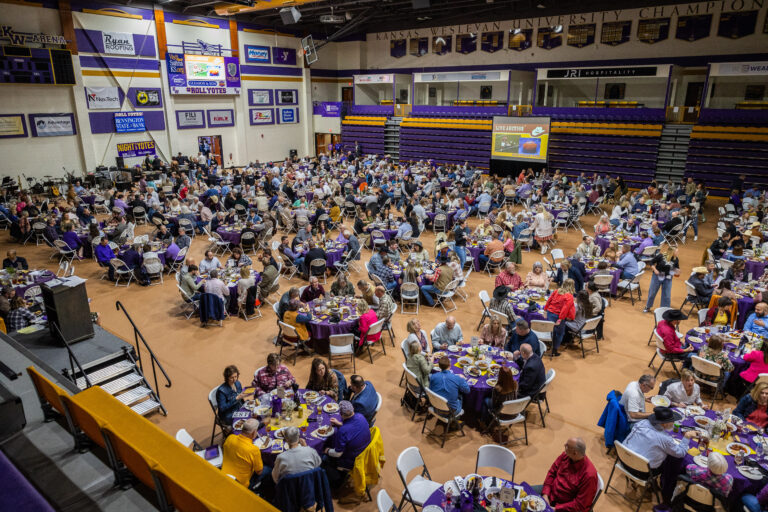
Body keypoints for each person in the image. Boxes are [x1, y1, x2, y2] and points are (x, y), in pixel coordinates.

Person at [622, 407, 697, 479]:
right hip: (642, 472)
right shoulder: (665, 439)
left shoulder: (642, 422)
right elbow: (681, 453)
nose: (674, 423)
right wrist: (687, 436)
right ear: (664, 424)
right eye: (673, 421)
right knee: (669, 463)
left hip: (623, 460)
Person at [531, 438, 598, 512]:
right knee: (522, 493)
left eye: (567, 446)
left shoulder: (589, 475)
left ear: (575, 453)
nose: (564, 446)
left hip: (566, 507)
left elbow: (579, 505)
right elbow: (552, 473)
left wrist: (555, 509)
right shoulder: (565, 455)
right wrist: (545, 494)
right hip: (552, 492)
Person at [322, 401, 371, 488]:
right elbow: (353, 428)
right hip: (365, 453)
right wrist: (340, 424)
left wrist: (327, 450)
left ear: (341, 414)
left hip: (351, 461)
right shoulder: (361, 416)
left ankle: (333, 482)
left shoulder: (343, 430)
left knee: (322, 457)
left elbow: (337, 454)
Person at [221, 418, 266, 489]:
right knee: (268, 469)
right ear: (254, 432)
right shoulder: (254, 450)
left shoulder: (230, 437)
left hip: (224, 476)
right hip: (241, 484)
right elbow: (259, 472)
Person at [544, 278, 576, 357]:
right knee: (559, 333)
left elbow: (549, 300)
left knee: (552, 330)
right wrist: (560, 319)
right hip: (558, 316)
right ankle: (554, 350)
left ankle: (550, 344)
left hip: (550, 313)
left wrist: (545, 310)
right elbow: (565, 309)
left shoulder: (556, 291)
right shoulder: (569, 296)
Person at [643, 242, 679, 313]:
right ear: (672, 252)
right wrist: (655, 270)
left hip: (668, 278)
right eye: (676, 251)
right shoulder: (661, 256)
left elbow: (676, 269)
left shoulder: (676, 259)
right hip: (658, 275)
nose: (677, 253)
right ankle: (648, 306)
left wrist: (676, 272)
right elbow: (652, 262)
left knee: (667, 295)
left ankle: (665, 310)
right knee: (652, 292)